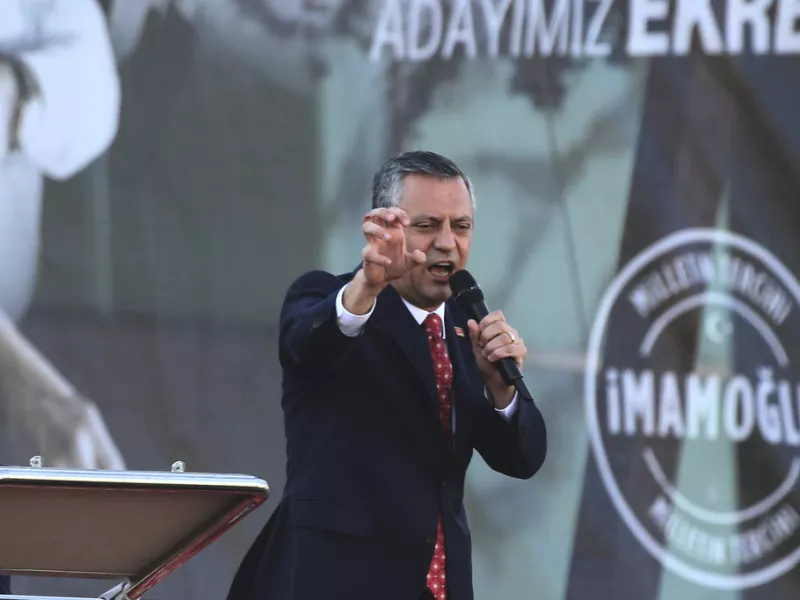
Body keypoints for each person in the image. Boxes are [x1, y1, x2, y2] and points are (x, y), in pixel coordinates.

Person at [227, 150, 547, 600]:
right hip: (338, 580)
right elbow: (306, 343)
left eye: (461, 226)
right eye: (427, 225)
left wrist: (501, 392)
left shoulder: (466, 328)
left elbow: (522, 458)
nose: (446, 243)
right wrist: (366, 286)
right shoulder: (329, 298)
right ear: (384, 227)